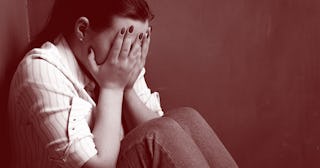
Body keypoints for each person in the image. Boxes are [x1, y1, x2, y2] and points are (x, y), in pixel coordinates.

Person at [8, 0, 238, 167]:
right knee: (157, 136)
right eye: (122, 41)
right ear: (82, 29)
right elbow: (99, 165)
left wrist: (127, 89)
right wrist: (112, 87)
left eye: (136, 42)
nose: (129, 53)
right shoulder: (41, 69)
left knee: (185, 119)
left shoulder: (119, 63)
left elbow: (170, 139)